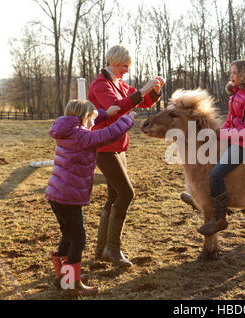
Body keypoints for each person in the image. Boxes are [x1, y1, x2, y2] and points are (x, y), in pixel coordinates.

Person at [45, 99, 137, 296]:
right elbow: (107, 134)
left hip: (57, 194)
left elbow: (93, 121)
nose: (93, 124)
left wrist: (104, 113)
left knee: (68, 237)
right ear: (83, 118)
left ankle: (63, 277)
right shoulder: (81, 136)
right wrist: (127, 119)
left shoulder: (66, 129)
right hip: (68, 196)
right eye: (91, 119)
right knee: (78, 240)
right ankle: (72, 285)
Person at [88, 45, 165, 268]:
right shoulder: (101, 85)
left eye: (128, 67)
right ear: (113, 61)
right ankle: (112, 247)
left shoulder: (120, 84)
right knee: (126, 193)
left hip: (119, 146)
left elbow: (143, 101)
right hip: (103, 146)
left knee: (113, 196)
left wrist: (155, 89)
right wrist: (142, 90)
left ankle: (102, 248)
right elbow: (117, 108)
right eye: (124, 66)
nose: (126, 71)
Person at [197, 59, 245, 236]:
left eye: (235, 73)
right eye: (231, 73)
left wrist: (222, 135)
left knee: (216, 174)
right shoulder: (237, 94)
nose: (231, 76)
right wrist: (216, 133)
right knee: (204, 157)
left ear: (244, 74)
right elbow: (230, 121)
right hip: (233, 138)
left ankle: (220, 219)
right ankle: (203, 199)